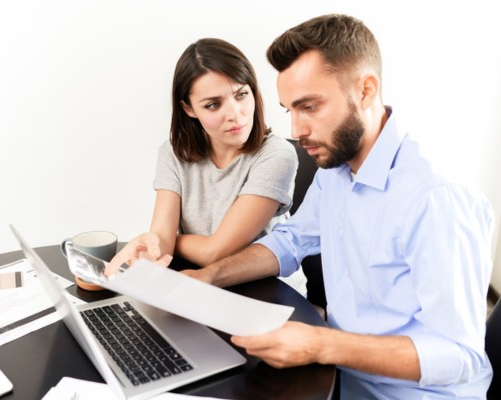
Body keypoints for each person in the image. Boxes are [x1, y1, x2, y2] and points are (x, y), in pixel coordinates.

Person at [180, 15, 495, 398]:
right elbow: (292, 239)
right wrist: (211, 276)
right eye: (289, 110)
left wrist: (319, 344)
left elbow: (459, 356)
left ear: (365, 90)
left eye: (309, 107)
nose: (296, 131)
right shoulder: (336, 170)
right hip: (343, 376)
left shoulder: (435, 196)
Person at [101, 38, 297, 279]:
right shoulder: (173, 152)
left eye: (241, 94)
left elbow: (216, 251)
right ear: (189, 109)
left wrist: (170, 240)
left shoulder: (277, 155)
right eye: (213, 105)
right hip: (197, 281)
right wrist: (156, 244)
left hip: (265, 290)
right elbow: (160, 242)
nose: (235, 114)